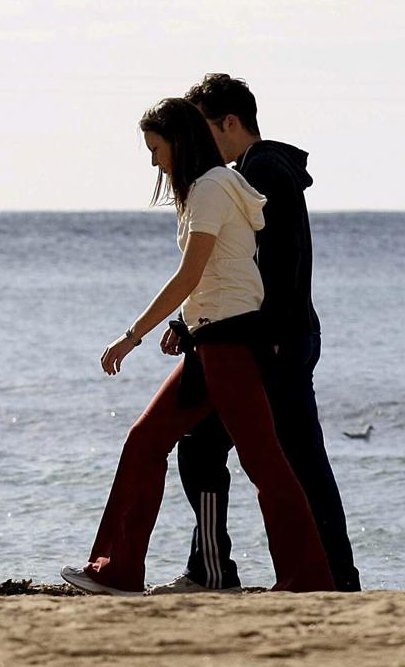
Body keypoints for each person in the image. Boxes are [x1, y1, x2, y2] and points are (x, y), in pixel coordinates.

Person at [60, 97, 334, 596]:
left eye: (156, 148)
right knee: (146, 442)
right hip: (211, 341)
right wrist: (185, 327)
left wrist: (133, 334)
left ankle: (309, 578)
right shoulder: (210, 188)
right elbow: (214, 275)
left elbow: (190, 273)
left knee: (265, 463)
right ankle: (117, 570)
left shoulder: (211, 188)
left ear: (179, 142)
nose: (153, 161)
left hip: (230, 343)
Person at [147, 74, 360, 594]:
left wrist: (267, 339)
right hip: (266, 335)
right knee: (240, 452)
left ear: (230, 123)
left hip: (268, 341)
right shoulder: (254, 170)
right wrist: (188, 324)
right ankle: (310, 576)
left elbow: (271, 265)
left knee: (285, 459)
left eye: (202, 129)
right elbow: (237, 268)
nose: (194, 144)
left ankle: (315, 578)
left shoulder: (259, 170)